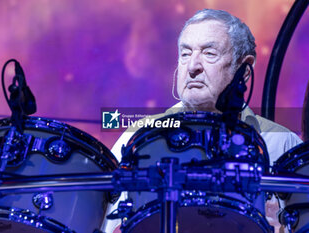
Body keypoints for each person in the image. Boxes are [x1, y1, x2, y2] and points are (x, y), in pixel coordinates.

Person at [102, 9, 302, 233]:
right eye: (185, 54)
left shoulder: (282, 143)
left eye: (209, 53)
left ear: (244, 70)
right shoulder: (138, 136)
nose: (192, 66)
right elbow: (106, 225)